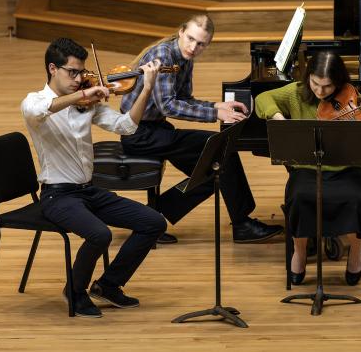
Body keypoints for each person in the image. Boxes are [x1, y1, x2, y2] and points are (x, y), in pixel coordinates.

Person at [21, 38, 167, 318]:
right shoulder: (35, 101)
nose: (80, 79)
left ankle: (109, 285)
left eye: (82, 72)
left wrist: (146, 87)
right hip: (57, 195)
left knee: (153, 222)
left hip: (88, 191)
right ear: (53, 69)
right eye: (72, 72)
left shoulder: (86, 104)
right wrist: (83, 96)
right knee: (100, 234)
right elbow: (41, 110)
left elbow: (126, 127)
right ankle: (75, 292)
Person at [119, 14, 282, 244]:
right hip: (140, 134)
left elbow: (185, 98)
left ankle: (149, 218)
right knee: (221, 148)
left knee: (211, 170)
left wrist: (217, 105)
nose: (194, 47)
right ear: (181, 32)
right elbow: (168, 105)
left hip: (156, 129)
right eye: (191, 39)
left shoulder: (184, 58)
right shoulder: (162, 55)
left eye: (201, 43)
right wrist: (215, 113)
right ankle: (242, 224)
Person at [254, 50, 361, 286]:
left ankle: (356, 251)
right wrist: (278, 117)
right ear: (308, 77)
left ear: (338, 82)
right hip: (307, 168)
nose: (320, 91)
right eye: (315, 83)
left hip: (347, 169)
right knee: (299, 197)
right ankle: (301, 251)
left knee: (356, 199)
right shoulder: (295, 93)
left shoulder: (350, 95)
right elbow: (262, 99)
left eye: (327, 86)